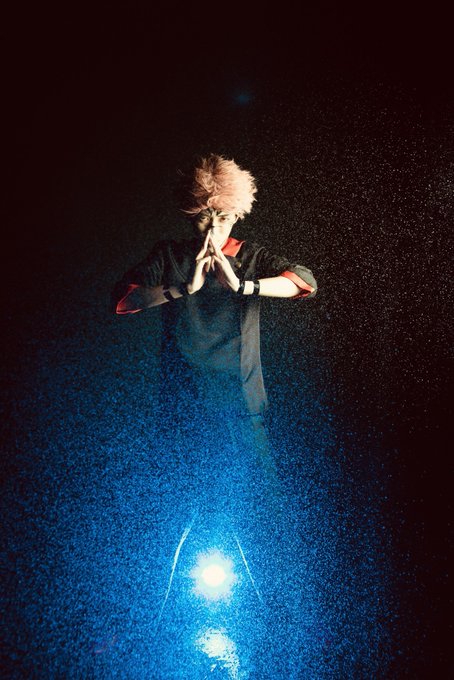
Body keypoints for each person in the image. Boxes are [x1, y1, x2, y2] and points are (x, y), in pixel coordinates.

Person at [112, 154, 317, 625]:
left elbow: (304, 282)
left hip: (242, 406)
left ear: (236, 214)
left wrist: (243, 285)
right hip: (181, 407)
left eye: (221, 218)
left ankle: (287, 619)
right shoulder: (170, 255)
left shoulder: (252, 256)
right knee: (166, 511)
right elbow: (122, 300)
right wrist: (185, 287)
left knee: (264, 511)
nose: (212, 228)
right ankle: (143, 621)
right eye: (203, 218)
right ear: (191, 214)